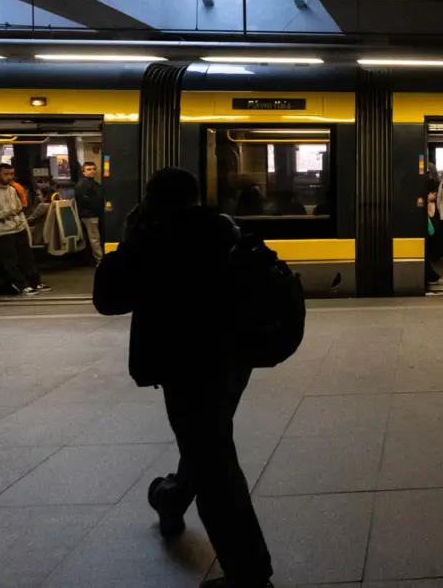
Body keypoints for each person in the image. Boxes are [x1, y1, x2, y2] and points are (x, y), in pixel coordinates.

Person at [94, 167, 274, 588]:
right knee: (207, 443)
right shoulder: (226, 229)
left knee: (215, 466)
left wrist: (128, 239)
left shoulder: (154, 240)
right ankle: (171, 497)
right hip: (233, 360)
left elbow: (108, 298)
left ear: (152, 201)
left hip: (184, 366)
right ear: (196, 196)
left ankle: (250, 575)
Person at [0, 163, 49, 296]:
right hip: (2, 231)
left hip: (18, 228)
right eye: (6, 174)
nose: (9, 177)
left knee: (27, 257)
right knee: (10, 261)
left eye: (11, 174)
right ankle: (21, 285)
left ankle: (34, 282)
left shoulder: (12, 189)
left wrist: (22, 224)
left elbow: (19, 210)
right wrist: (7, 213)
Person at [74, 161, 104, 266]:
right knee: (95, 238)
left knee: (95, 237)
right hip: (89, 214)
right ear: (83, 172)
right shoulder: (83, 184)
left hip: (93, 213)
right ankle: (100, 261)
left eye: (93, 169)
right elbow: (84, 200)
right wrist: (97, 207)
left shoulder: (93, 183)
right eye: (89, 169)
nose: (92, 171)